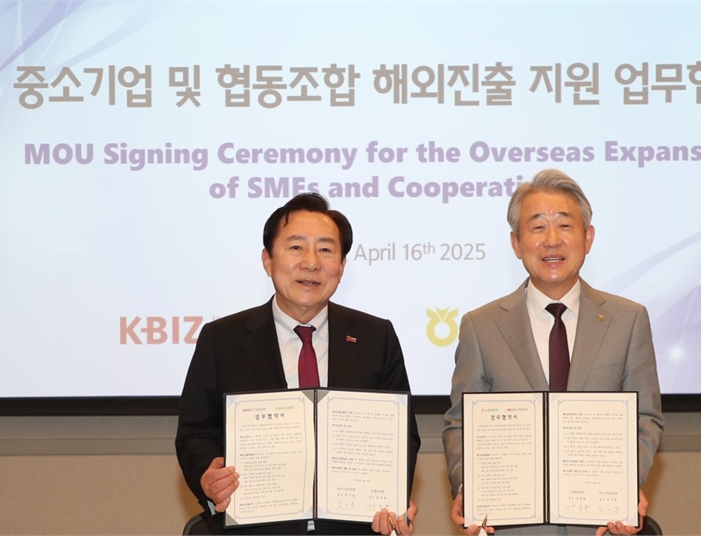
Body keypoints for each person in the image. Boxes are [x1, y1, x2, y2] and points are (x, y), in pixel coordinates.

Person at [176, 192, 421, 535]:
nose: (311, 263)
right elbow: (196, 433)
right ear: (267, 259)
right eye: (296, 247)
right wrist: (208, 476)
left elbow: (402, 436)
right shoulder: (222, 339)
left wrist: (391, 498)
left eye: (326, 250)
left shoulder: (375, 337)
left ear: (342, 266)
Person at [442, 169, 664, 536]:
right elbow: (461, 423)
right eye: (537, 227)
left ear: (587, 237)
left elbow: (646, 417)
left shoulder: (629, 320)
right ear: (516, 243)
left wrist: (624, 485)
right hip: (511, 526)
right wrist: (471, 490)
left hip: (600, 524)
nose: (552, 240)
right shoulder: (480, 326)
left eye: (564, 225)